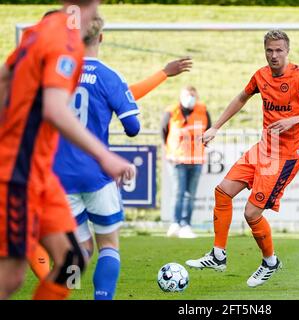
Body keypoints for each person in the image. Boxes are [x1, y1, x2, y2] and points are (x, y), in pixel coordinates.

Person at [36, 15, 190, 300]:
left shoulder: (51, 75)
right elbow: (133, 128)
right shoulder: (109, 76)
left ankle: (59, 294)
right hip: (96, 173)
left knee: (80, 250)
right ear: (101, 38)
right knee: (108, 245)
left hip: (59, 177)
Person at [0, 1, 135, 300]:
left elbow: (4, 80)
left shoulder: (40, 29)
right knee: (10, 277)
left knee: (71, 259)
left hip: (45, 174)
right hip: (19, 170)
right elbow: (54, 110)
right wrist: (105, 156)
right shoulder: (65, 38)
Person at [185, 30, 299, 287]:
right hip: (263, 148)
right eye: (269, 50)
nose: (274, 55)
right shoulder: (260, 75)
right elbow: (242, 97)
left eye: (279, 50)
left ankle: (270, 262)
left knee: (251, 213)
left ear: (287, 51)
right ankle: (218, 255)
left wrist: (293, 119)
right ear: (264, 50)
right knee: (222, 192)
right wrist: (216, 127)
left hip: (287, 156)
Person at [162, 86, 211, 238]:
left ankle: (186, 225)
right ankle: (175, 223)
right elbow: (163, 131)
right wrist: (170, 150)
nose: (190, 98)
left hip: (196, 158)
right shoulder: (171, 111)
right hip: (177, 158)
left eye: (192, 95)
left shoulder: (203, 110)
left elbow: (208, 129)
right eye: (187, 95)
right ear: (181, 96)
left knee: (190, 194)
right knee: (178, 192)